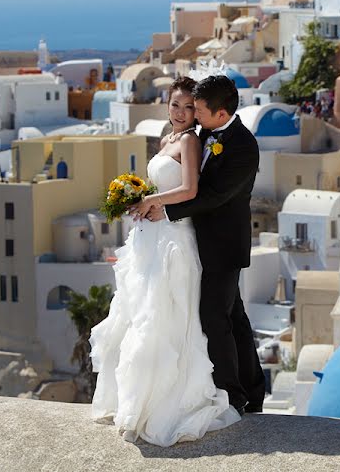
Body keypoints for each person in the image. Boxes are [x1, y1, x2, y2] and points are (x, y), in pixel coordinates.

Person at [89, 76, 240, 447]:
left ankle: (168, 402)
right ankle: (135, 398)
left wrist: (153, 202)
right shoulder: (166, 138)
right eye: (176, 105)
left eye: (190, 108)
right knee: (141, 311)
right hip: (153, 236)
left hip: (176, 237)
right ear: (166, 103)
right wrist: (139, 194)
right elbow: (165, 184)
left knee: (166, 315)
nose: (182, 113)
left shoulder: (190, 140)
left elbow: (189, 189)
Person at [142, 74, 266, 417]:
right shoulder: (202, 134)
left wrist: (166, 211)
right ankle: (253, 390)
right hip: (196, 241)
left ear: (221, 113)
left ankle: (232, 396)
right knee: (234, 319)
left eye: (198, 109)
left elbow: (214, 195)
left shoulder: (243, 146)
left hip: (224, 246)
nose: (192, 114)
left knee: (214, 318)